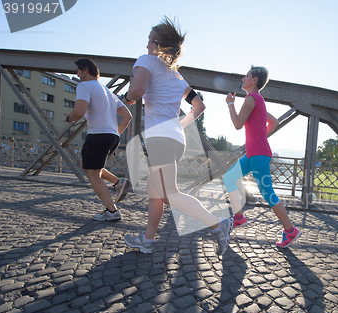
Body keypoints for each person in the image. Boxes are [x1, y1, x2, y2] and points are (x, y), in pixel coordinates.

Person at [122, 17, 232, 255]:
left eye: (150, 41)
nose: (147, 45)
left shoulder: (146, 61)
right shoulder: (177, 76)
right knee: (155, 191)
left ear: (157, 44)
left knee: (169, 193)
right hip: (174, 138)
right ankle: (148, 240)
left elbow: (138, 90)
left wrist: (128, 97)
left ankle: (218, 223)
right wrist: (179, 125)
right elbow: (199, 106)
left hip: (159, 137)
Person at [223, 66, 301, 248]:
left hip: (258, 154)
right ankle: (239, 217)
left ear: (254, 80)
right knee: (229, 178)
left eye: (246, 76)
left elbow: (237, 124)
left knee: (267, 193)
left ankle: (291, 231)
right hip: (253, 153)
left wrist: (229, 104)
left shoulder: (251, 99)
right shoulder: (258, 100)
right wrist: (260, 136)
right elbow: (275, 122)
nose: (243, 78)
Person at [67, 58, 133, 221]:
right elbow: (127, 116)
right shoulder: (108, 92)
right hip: (111, 136)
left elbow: (79, 111)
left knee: (93, 174)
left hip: (97, 135)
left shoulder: (84, 86)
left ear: (85, 70)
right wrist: (115, 134)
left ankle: (112, 211)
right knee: (86, 165)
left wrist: (69, 117)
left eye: (78, 70)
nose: (77, 74)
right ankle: (118, 182)